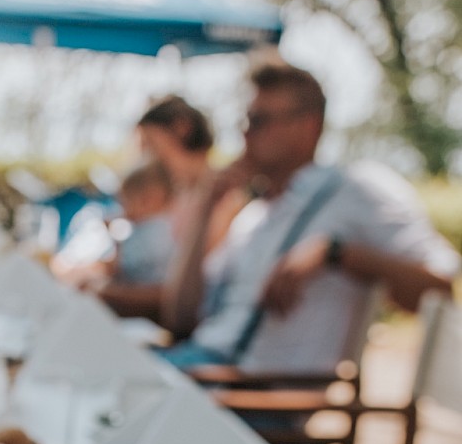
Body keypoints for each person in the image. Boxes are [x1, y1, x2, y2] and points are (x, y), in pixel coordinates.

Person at [160, 58, 459, 373]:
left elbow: (438, 288)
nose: (246, 135)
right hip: (203, 370)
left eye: (258, 121)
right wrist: (207, 208)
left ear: (308, 126)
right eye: (245, 121)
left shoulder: (355, 189)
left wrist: (336, 253)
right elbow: (180, 317)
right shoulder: (256, 213)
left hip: (254, 398)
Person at [137, 94, 243, 259]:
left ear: (182, 128)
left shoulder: (225, 194)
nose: (145, 152)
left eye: (151, 141)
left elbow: (202, 269)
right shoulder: (172, 194)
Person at [95, 161, 176, 318]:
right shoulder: (148, 228)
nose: (123, 209)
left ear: (149, 198)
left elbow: (118, 270)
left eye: (126, 202)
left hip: (149, 305)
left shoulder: (156, 230)